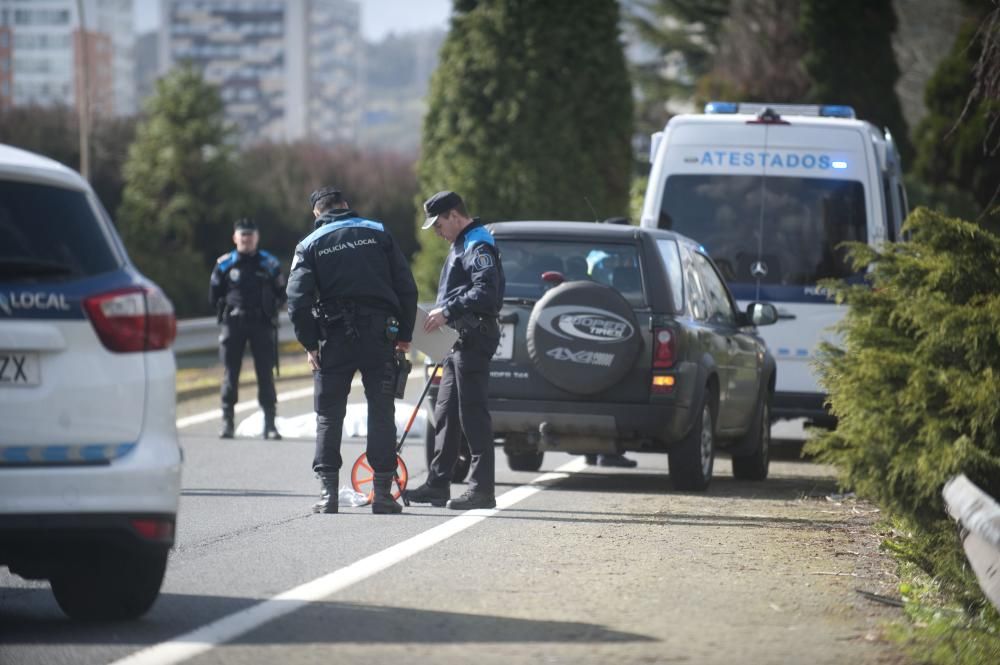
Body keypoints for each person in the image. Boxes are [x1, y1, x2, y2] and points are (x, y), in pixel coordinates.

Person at [285, 187, 417, 515]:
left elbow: (296, 299)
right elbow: (407, 287)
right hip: (379, 334)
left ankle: (329, 495)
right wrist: (404, 335)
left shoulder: (309, 244)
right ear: (346, 206)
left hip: (333, 337)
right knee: (381, 411)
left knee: (329, 415)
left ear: (317, 213)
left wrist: (310, 343)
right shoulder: (379, 232)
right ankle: (383, 494)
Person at [403, 191, 505, 510]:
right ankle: (438, 483)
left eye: (438, 224)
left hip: (472, 337)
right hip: (457, 339)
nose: (437, 231)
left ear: (454, 216)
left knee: (472, 413)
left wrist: (448, 311)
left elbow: (486, 291)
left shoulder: (477, 242)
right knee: (446, 412)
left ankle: (481, 489)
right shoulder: (462, 243)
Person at [210, 218, 285, 440]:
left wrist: (272, 307)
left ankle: (270, 424)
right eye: (242, 235)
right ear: (235, 238)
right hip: (234, 323)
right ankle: (227, 422)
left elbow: (282, 293)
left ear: (256, 237)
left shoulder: (269, 264)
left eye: (250, 235)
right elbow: (213, 295)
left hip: (261, 324)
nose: (246, 239)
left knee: (265, 374)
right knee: (230, 373)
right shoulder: (224, 264)